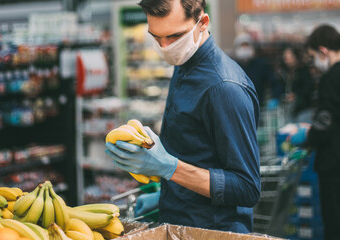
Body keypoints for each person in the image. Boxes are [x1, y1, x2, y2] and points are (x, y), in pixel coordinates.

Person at [105, 0, 260, 233]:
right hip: (180, 223)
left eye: (175, 37)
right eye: (157, 37)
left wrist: (169, 167)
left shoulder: (224, 88)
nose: (166, 46)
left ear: (203, 22)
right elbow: (199, 153)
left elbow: (247, 187)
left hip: (213, 232)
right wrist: (165, 194)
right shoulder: (184, 62)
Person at [296, 24, 340, 240]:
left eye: (313, 57)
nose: (314, 63)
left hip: (333, 164)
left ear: (323, 51)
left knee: (334, 222)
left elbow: (326, 122)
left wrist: (307, 136)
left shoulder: (331, 77)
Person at [233, 33, 278, 109]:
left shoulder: (262, 65)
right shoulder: (232, 66)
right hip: (238, 107)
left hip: (258, 106)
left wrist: (275, 97)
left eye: (247, 46)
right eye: (242, 46)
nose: (244, 49)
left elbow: (275, 83)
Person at [275, 46, 315, 123]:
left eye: (290, 57)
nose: (287, 60)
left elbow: (308, 88)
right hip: (287, 109)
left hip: (302, 109)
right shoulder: (282, 74)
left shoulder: (303, 72)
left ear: (296, 57)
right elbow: (279, 88)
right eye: (285, 58)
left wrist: (296, 96)